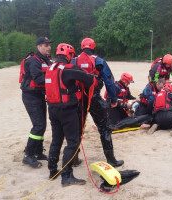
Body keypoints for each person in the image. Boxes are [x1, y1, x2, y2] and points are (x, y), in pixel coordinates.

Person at [45, 43, 95, 186]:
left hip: (52, 109)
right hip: (67, 110)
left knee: (56, 140)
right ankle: (67, 176)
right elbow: (89, 79)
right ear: (70, 55)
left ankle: (52, 170)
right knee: (73, 142)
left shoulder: (50, 68)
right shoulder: (69, 69)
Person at [73, 38, 123, 167]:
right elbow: (109, 81)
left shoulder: (74, 60)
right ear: (93, 48)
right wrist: (113, 99)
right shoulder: (99, 61)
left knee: (77, 128)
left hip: (78, 99)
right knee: (105, 128)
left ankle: (74, 158)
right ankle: (111, 159)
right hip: (94, 98)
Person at [20, 36, 52, 168]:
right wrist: (55, 79)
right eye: (45, 45)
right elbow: (39, 79)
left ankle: (38, 152)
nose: (49, 47)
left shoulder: (47, 60)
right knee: (38, 125)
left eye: (49, 45)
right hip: (30, 96)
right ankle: (28, 155)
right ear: (38, 47)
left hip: (39, 95)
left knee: (42, 125)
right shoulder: (33, 61)